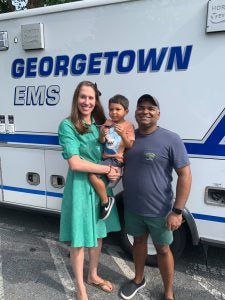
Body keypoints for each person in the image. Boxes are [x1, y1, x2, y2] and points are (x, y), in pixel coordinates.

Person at [120, 94, 192, 300]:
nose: (145, 111)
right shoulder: (129, 138)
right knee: (139, 243)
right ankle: (138, 279)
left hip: (160, 211)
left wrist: (177, 211)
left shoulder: (171, 139)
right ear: (135, 112)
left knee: (162, 249)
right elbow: (116, 162)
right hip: (133, 208)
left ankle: (169, 292)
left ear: (158, 114)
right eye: (141, 107)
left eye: (151, 108)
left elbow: (185, 174)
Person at [58, 81, 121, 300]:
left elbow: (111, 151)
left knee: (98, 234)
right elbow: (75, 163)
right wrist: (107, 169)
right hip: (80, 186)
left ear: (96, 101)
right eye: (83, 97)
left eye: (91, 98)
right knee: (79, 239)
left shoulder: (101, 124)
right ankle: (80, 288)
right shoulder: (67, 125)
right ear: (77, 99)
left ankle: (93, 275)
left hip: (101, 185)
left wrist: (115, 171)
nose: (87, 101)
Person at [89, 94, 135, 220]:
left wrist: (122, 134)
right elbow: (101, 141)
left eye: (117, 109)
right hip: (105, 159)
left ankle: (106, 202)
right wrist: (102, 134)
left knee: (92, 175)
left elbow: (130, 145)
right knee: (97, 180)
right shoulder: (107, 124)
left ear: (126, 111)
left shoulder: (128, 126)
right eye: (111, 109)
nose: (114, 112)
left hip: (115, 161)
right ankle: (104, 201)